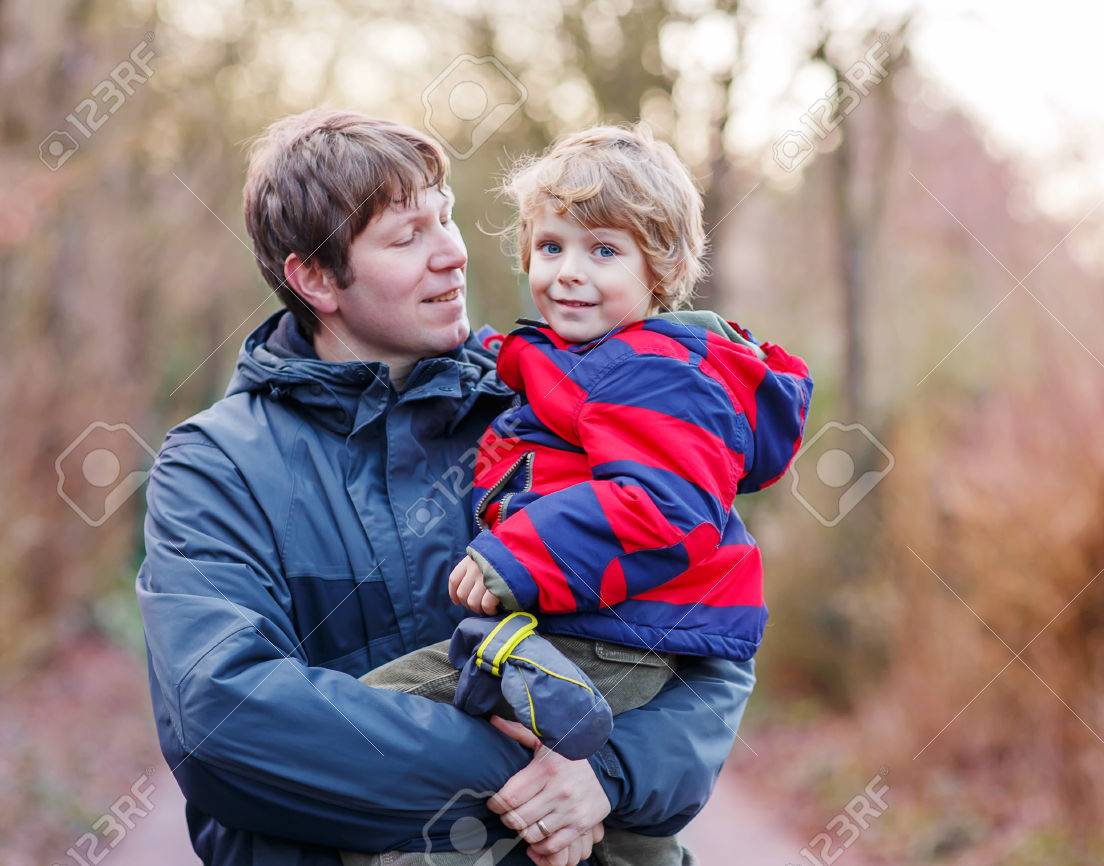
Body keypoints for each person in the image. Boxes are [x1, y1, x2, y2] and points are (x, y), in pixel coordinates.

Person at [135, 109, 755, 866]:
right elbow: (222, 722)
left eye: (447, 218)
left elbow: (710, 633)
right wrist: (534, 779)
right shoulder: (216, 467)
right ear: (314, 278)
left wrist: (609, 775)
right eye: (408, 238)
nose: (454, 255)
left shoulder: (552, 401)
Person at [347, 125, 813, 866]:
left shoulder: (658, 373)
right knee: (617, 837)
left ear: (659, 271)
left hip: (612, 634)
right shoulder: (587, 362)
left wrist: (515, 556)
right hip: (604, 626)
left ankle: (544, 712)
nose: (569, 272)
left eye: (604, 251)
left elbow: (664, 507)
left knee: (376, 713)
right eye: (553, 246)